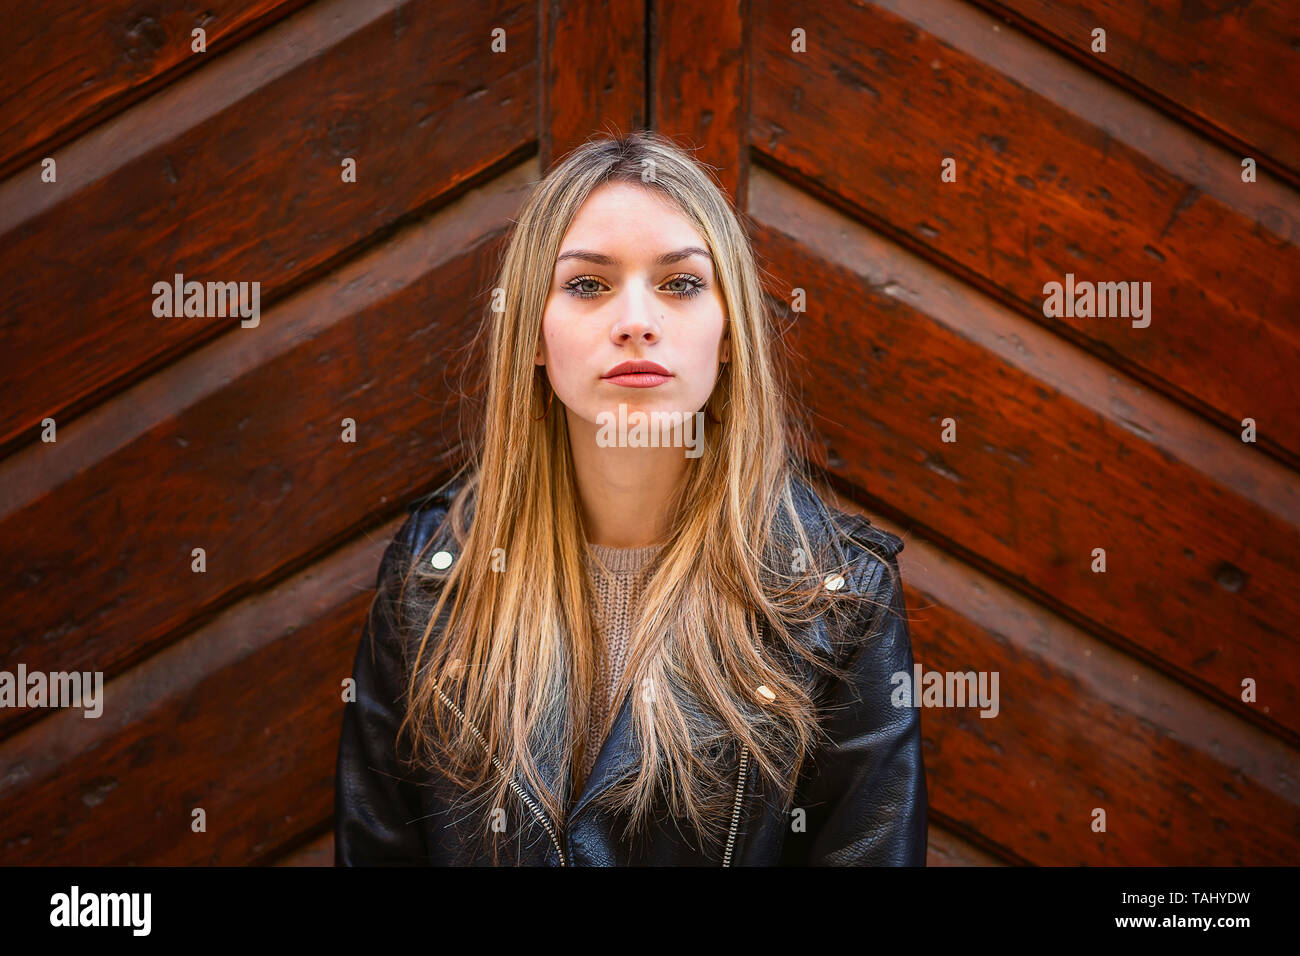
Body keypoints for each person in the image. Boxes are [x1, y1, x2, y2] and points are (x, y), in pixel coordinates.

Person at [334, 130, 927, 866]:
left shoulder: (838, 598)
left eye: (680, 283)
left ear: (731, 333)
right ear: (533, 334)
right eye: (588, 284)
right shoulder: (432, 579)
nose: (637, 321)